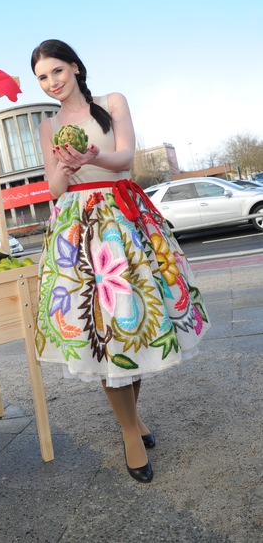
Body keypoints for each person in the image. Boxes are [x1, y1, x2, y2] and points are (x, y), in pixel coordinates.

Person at [30, 41, 210, 483]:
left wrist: (93, 157)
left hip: (123, 219)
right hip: (77, 231)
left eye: (57, 71)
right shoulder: (48, 125)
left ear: (74, 66)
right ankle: (131, 430)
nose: (52, 82)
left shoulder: (112, 103)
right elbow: (52, 189)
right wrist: (66, 168)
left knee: (135, 324)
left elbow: (125, 157)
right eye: (41, 77)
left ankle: (131, 422)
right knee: (105, 332)